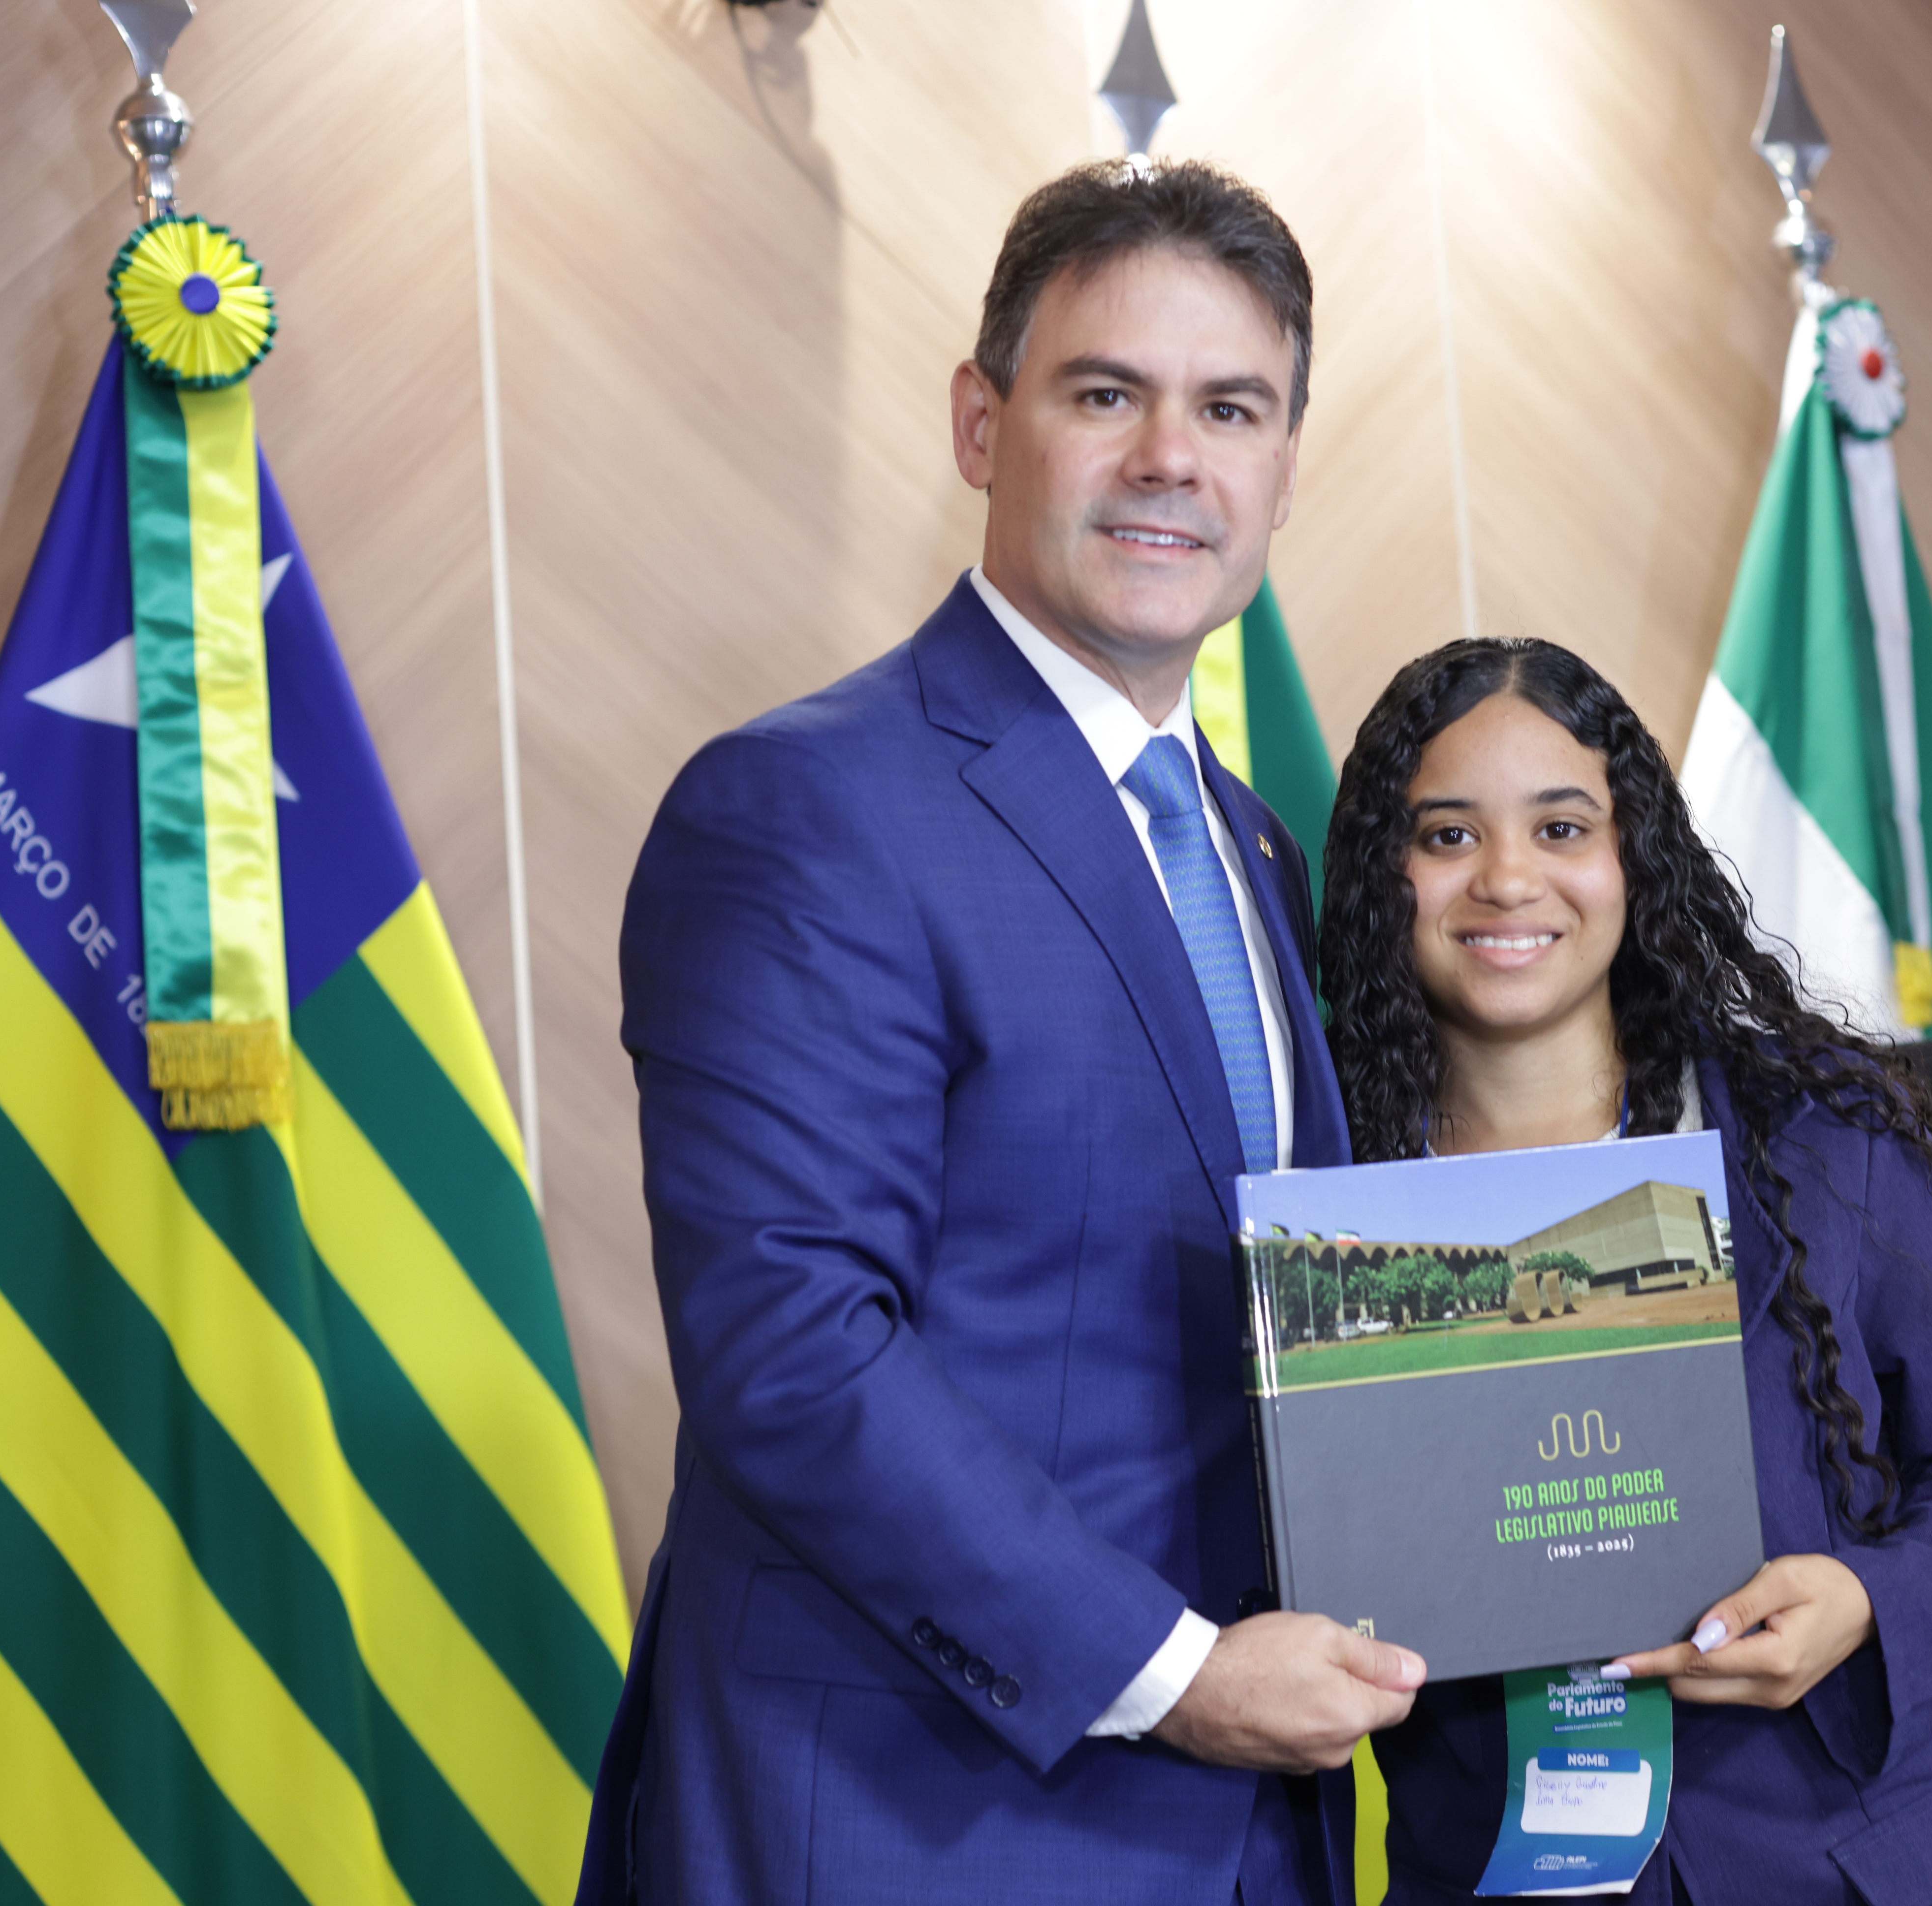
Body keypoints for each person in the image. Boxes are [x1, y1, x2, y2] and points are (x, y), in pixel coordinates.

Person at [574, 159, 1426, 1906]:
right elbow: (792, 1348)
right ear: (982, 423)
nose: (1168, 459)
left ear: (1282, 463)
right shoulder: (804, 807)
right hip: (917, 1818)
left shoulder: (1258, 846)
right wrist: (1177, 1673)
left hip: (1250, 1825)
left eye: (1228, 408)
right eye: (1103, 394)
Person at [1318, 638, 1932, 1905]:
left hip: (1860, 1865)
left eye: (1563, 826)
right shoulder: (1326, 1208)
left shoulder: (1817, 1139)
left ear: (1634, 861)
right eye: (1447, 837)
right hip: (1500, 1872)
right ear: (1379, 878)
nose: (1509, 880)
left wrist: (1866, 1600)